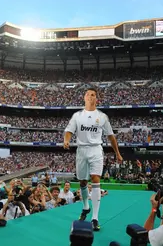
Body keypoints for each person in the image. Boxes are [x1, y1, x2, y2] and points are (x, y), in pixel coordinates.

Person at [64, 87, 123, 231]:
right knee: (83, 181)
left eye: (93, 95)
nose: (91, 97)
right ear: (84, 98)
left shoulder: (102, 117)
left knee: (95, 179)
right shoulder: (77, 116)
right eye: (88, 94)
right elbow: (69, 131)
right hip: (81, 150)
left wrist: (117, 153)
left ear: (97, 99)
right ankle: (85, 207)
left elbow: (110, 136)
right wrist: (66, 140)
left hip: (96, 149)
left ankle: (95, 218)